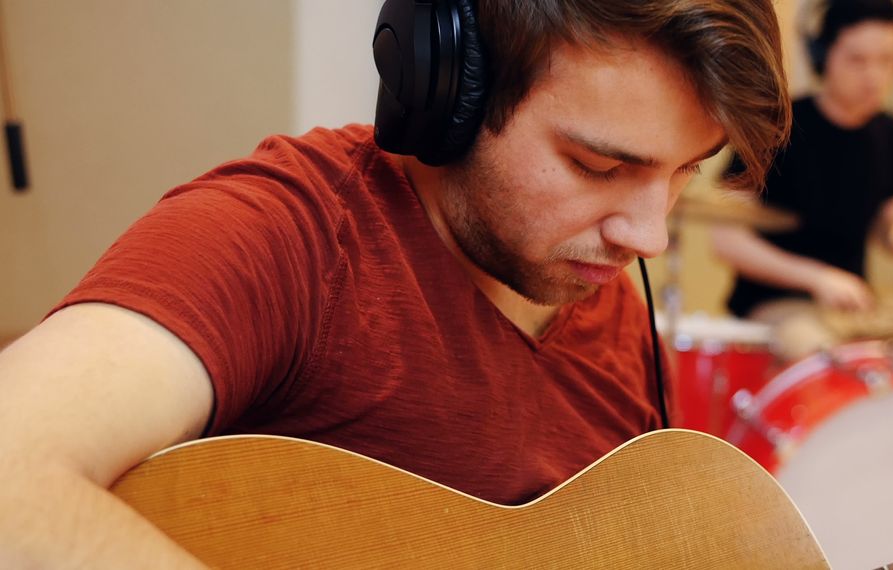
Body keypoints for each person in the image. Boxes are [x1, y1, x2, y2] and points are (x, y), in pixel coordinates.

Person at [0, 0, 794, 566]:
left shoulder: (608, 304)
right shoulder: (292, 235)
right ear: (450, 94)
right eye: (598, 165)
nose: (650, 236)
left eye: (686, 171)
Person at [710, 0, 893, 362]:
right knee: (831, 363)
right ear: (823, 55)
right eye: (858, 60)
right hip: (779, 305)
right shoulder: (775, 124)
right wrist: (817, 278)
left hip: (853, 305)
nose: (875, 77)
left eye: (888, 61)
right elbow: (726, 241)